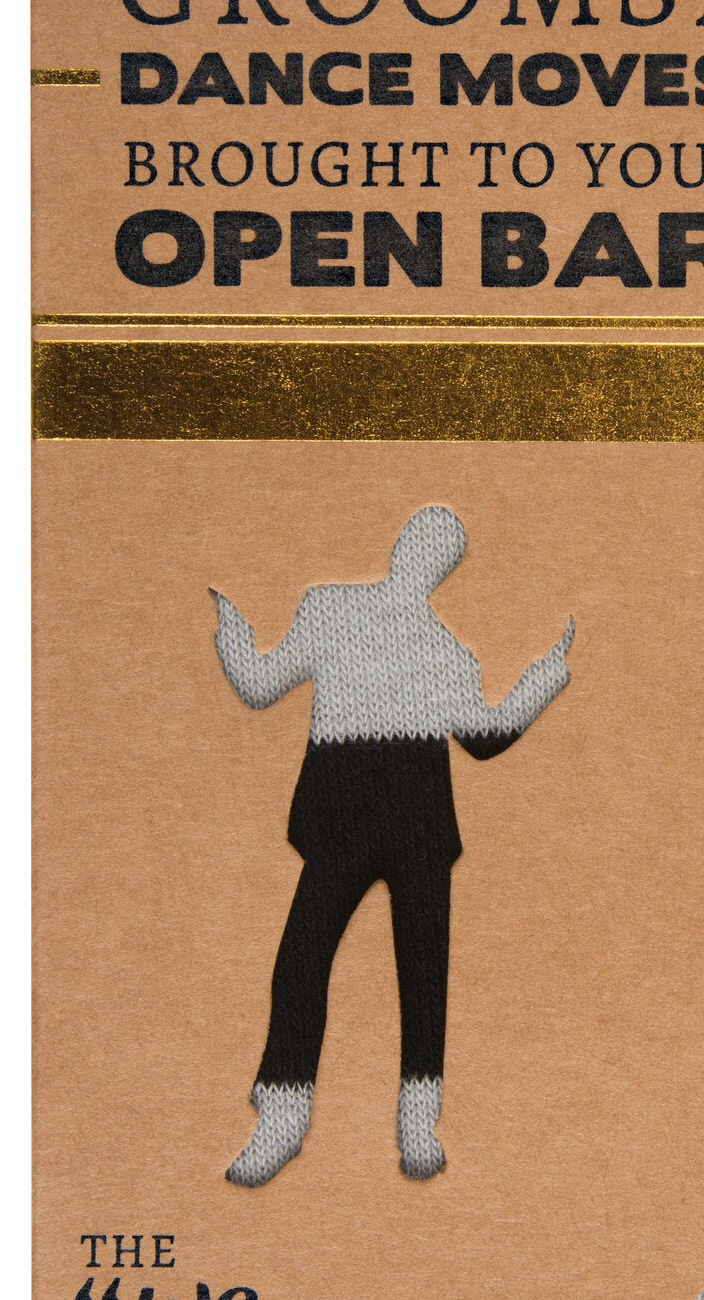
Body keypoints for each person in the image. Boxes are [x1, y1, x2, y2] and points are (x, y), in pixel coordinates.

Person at [210, 505, 574, 1184]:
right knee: (315, 964)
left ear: (438, 566)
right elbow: (260, 687)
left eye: (438, 547)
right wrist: (232, 636)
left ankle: (406, 1124)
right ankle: (293, 1117)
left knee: (406, 976)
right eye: (422, 539)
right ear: (406, 545)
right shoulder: (346, 616)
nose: (423, 553)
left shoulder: (430, 645)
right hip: (363, 824)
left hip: (405, 829)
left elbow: (484, 737)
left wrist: (543, 679)